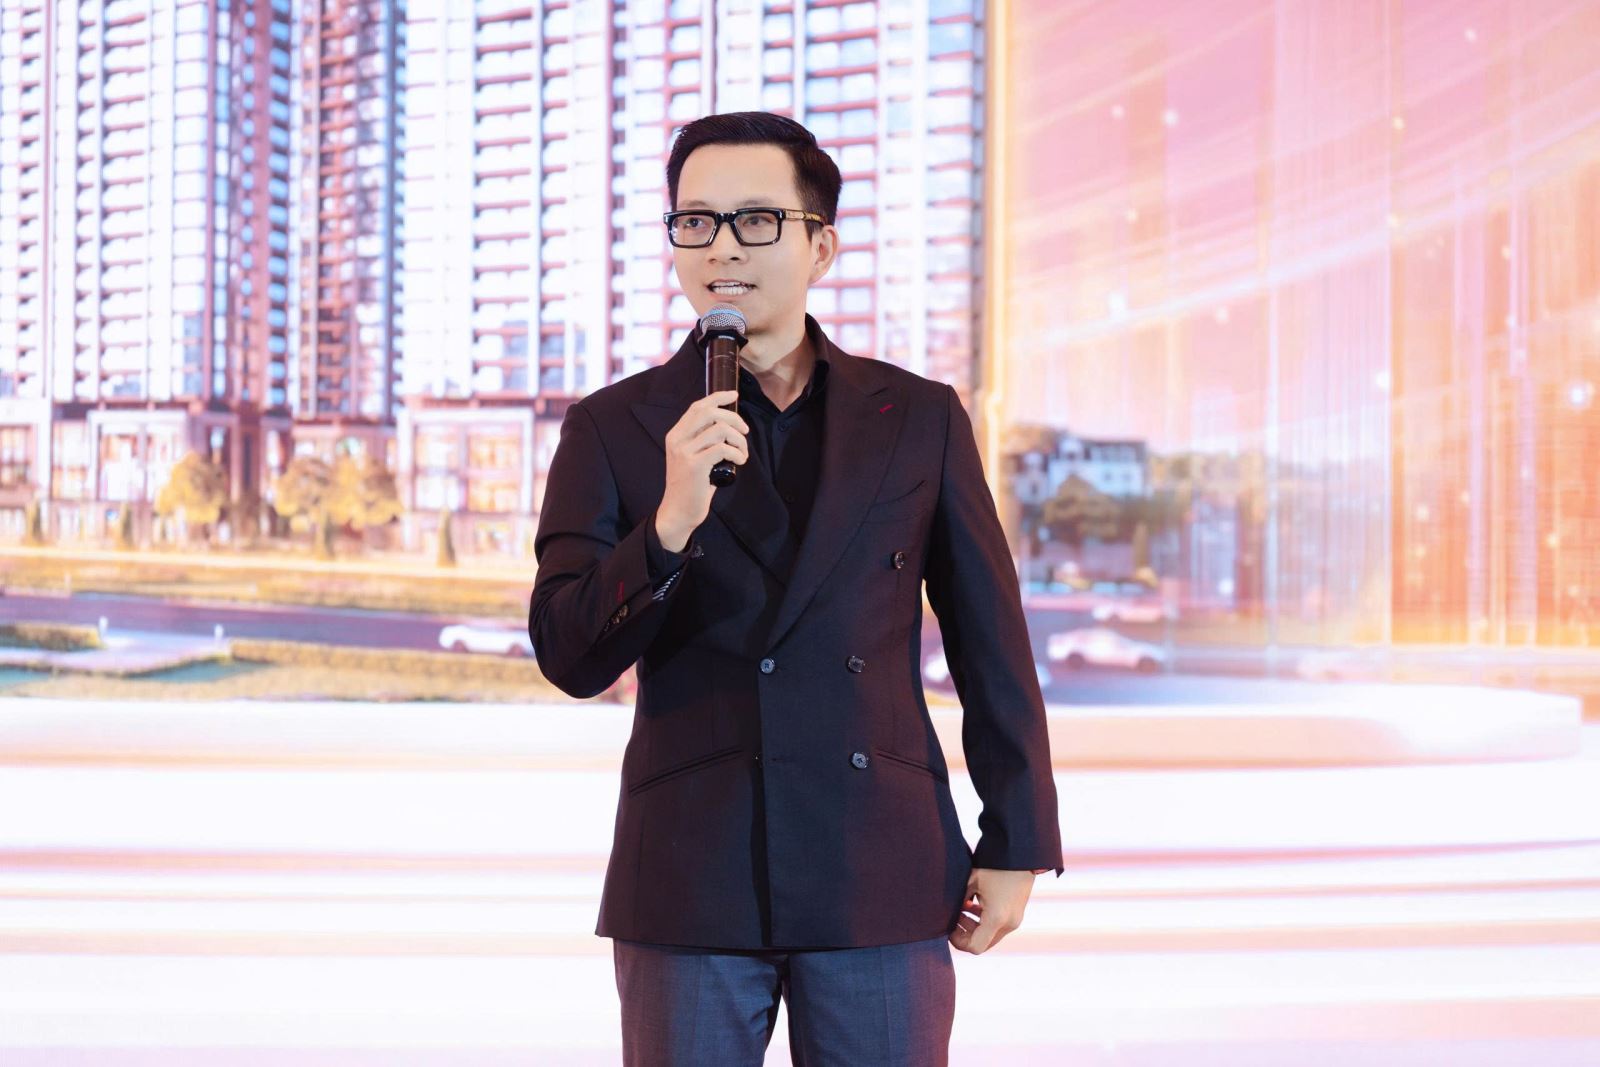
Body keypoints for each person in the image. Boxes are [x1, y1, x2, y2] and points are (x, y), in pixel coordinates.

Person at [528, 111, 1062, 1066]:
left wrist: (1017, 836)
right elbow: (567, 652)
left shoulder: (920, 417)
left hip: (880, 865)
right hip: (691, 872)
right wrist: (667, 526)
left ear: (821, 246)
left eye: (756, 220)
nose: (721, 247)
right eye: (696, 221)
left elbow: (990, 642)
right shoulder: (612, 426)